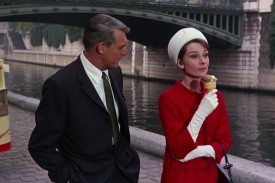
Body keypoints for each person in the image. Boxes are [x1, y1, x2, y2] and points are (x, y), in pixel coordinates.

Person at [28, 14, 140, 183]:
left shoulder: (115, 72)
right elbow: (40, 146)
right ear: (101, 47)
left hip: (123, 173)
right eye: (120, 47)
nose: (125, 52)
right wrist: (68, 176)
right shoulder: (60, 85)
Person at [158, 27, 232, 183]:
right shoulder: (168, 98)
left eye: (205, 55)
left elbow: (225, 142)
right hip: (179, 178)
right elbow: (178, 149)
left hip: (209, 176)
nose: (203, 61)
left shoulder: (216, 96)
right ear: (180, 63)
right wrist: (201, 112)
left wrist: (200, 151)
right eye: (194, 56)